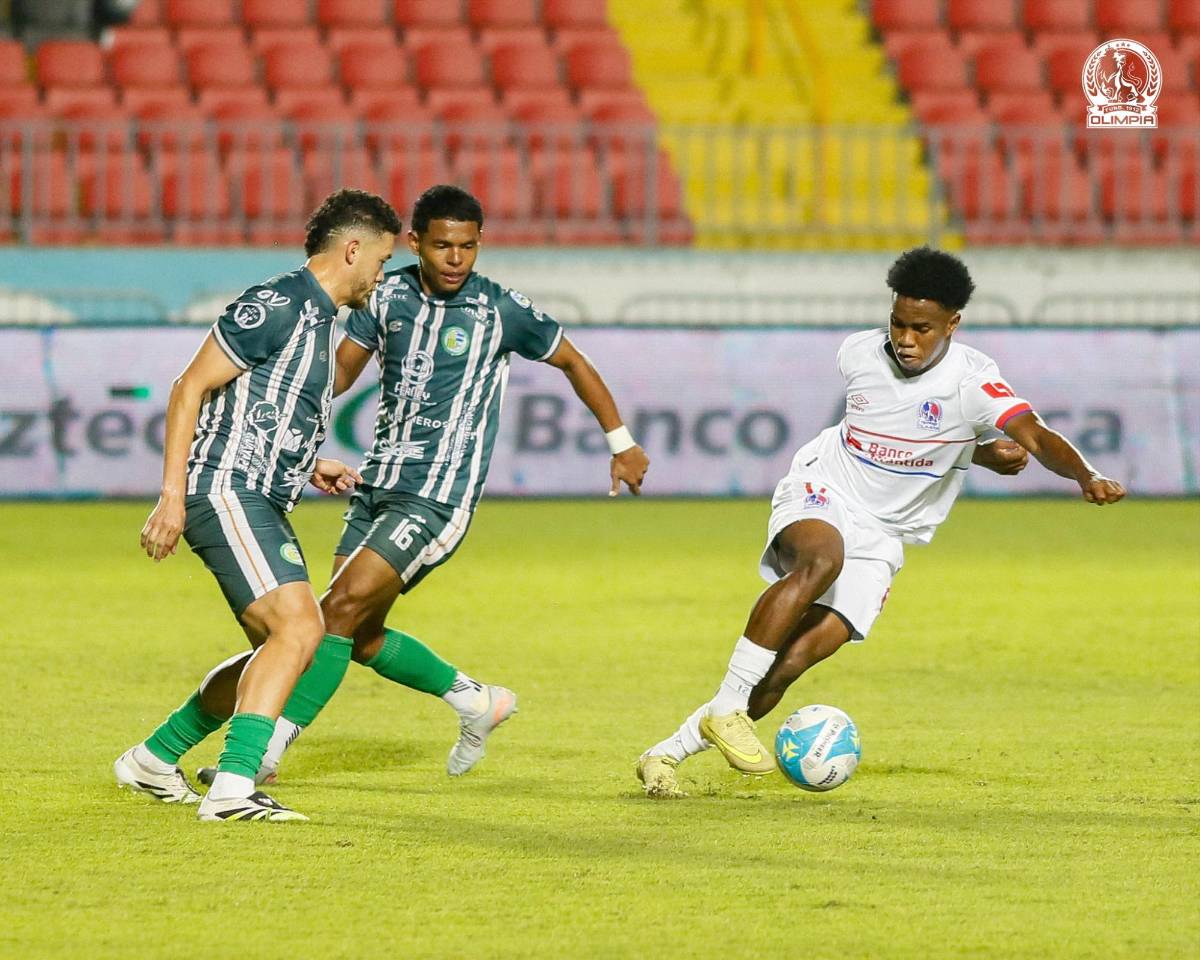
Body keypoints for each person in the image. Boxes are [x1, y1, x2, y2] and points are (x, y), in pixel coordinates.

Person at [194, 184, 650, 787]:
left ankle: (264, 753)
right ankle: (474, 700)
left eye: (468, 246)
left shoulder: (500, 310)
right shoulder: (385, 296)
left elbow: (573, 361)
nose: (456, 259)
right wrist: (276, 408)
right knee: (354, 635)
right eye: (442, 246)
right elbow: (334, 378)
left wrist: (621, 443)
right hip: (378, 483)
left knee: (335, 613)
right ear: (415, 243)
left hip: (439, 495)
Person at [635, 246, 1126, 798]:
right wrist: (979, 453)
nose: (906, 339)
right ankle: (726, 707)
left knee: (792, 662)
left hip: (886, 535)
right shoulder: (858, 353)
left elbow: (1033, 435)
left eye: (922, 328)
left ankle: (665, 754)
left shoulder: (974, 383)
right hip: (824, 486)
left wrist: (1083, 473)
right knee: (821, 559)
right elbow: (895, 424)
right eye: (898, 323)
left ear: (952, 324)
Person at [114, 189, 403, 821]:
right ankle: (234, 790)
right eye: (380, 261)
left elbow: (260, 410)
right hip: (224, 488)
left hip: (261, 492)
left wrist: (309, 462)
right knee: (300, 631)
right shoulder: (278, 305)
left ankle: (153, 759)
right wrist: (171, 497)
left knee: (280, 649)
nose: (380, 276)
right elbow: (189, 386)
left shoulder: (321, 321)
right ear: (352, 249)